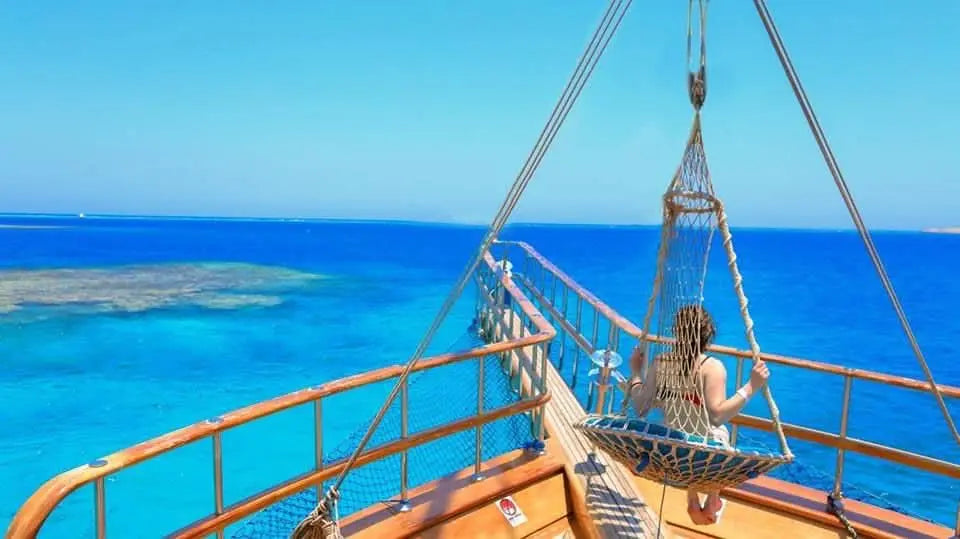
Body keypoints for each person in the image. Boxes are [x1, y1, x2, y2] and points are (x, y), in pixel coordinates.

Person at [625, 304, 770, 526]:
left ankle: (697, 498)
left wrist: (636, 372)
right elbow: (717, 416)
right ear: (707, 336)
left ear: (677, 332)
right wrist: (751, 386)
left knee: (686, 434)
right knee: (715, 434)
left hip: (673, 448)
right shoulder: (711, 367)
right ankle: (712, 498)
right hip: (707, 453)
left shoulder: (661, 363)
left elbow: (641, 407)